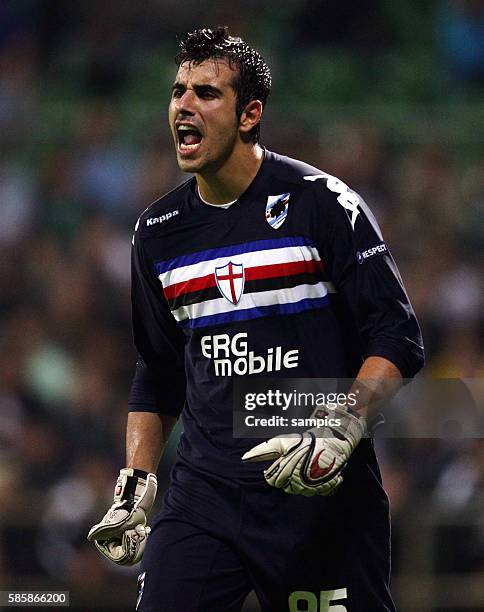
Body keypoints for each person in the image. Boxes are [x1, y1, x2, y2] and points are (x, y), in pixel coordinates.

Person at [87, 27, 424, 611]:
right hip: (205, 495)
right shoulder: (158, 233)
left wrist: (342, 428)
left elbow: (398, 336)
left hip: (321, 493)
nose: (183, 106)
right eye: (177, 92)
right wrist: (137, 486)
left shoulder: (323, 203)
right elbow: (159, 371)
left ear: (250, 115)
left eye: (206, 94)